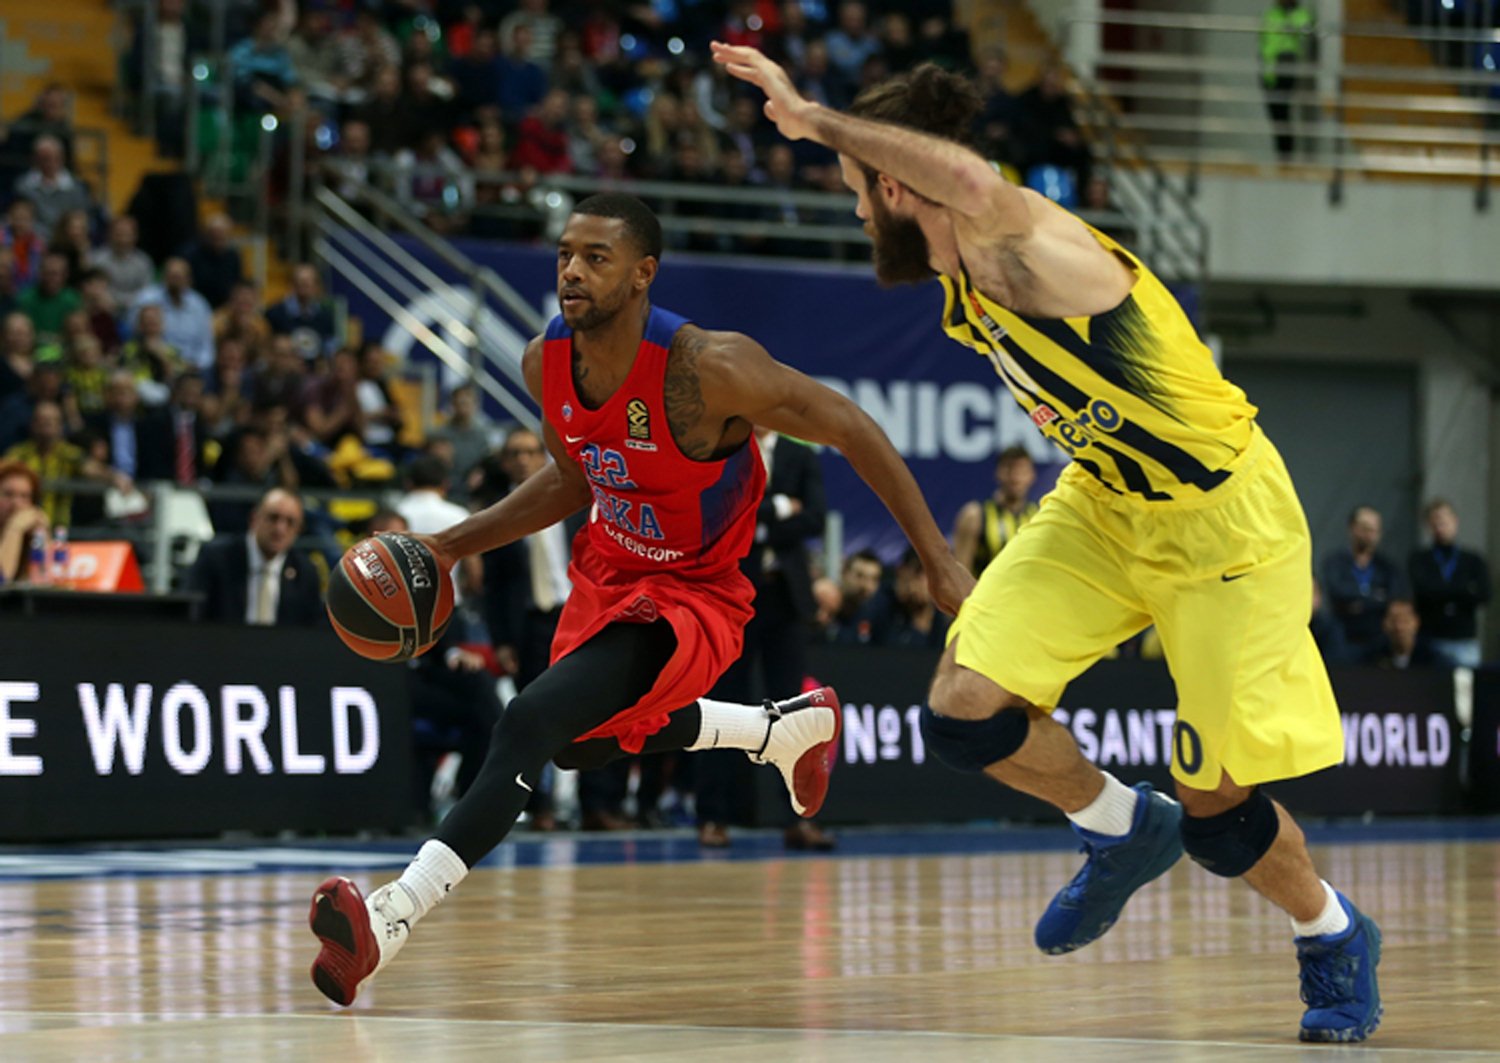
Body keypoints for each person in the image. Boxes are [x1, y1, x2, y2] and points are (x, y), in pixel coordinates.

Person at [715, 45, 1381, 1042]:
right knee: (963, 709)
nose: (855, 212)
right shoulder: (960, 277)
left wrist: (816, 120)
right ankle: (1120, 825)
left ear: (896, 184)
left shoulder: (1027, 245)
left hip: (1222, 524)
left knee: (1216, 811)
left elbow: (972, 180)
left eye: (858, 190)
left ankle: (1333, 931)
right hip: (1105, 505)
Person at [309, 192, 971, 1006]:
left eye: (596, 257)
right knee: (578, 747)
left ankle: (389, 917)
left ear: (642, 274)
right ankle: (776, 730)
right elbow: (573, 480)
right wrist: (450, 545)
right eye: (565, 254)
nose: (572, 271)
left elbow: (851, 425)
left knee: (529, 719)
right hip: (609, 574)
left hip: (695, 593)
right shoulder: (545, 363)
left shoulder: (710, 369)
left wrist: (938, 559)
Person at [697, 423, 832, 850]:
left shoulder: (799, 454)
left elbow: (815, 517)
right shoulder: (724, 450)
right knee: (724, 705)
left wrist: (758, 526)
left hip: (785, 597)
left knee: (791, 710)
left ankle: (799, 817)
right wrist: (780, 507)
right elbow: (716, 514)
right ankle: (713, 816)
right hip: (734, 596)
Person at [187, 486, 324, 625]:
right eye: (273, 518)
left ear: (298, 529)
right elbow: (193, 616)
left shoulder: (305, 573)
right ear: (254, 518)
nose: (280, 529)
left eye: (290, 522)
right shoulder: (216, 559)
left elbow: (310, 627)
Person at [1408, 499, 1490, 669]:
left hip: (1464, 640)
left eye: (1444, 521)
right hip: (1430, 640)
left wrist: (1439, 591)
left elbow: (1484, 595)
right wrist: (1464, 590)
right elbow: (1421, 592)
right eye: (1436, 522)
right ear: (1429, 525)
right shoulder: (1419, 560)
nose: (1440, 527)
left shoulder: (1473, 560)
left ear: (1455, 521)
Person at [1320, 505, 1407, 663]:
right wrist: (1375, 597)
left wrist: (1358, 602)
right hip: (1344, 632)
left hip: (1377, 634)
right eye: (1365, 528)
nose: (1370, 535)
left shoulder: (1387, 567)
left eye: (1374, 530)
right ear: (1352, 528)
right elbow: (1337, 592)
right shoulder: (1335, 562)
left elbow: (1393, 598)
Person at [952, 444, 1039, 577]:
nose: (1015, 478)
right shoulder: (975, 516)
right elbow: (961, 572)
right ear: (998, 472)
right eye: (1009, 469)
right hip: (986, 589)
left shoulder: (1038, 516)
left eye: (1022, 471)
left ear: (1032, 475)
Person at [1259, 0, 1315, 161]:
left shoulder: (1300, 14)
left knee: (1283, 113)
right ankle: (1282, 155)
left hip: (1286, 64)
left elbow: (1305, 31)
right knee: (1275, 115)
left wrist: (1290, 18)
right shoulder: (1271, 13)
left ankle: (1286, 155)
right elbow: (1263, 40)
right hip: (1268, 68)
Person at [0, 459, 50, 581]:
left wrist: (43, 534)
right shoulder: (17, 528)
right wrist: (14, 529)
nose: (16, 504)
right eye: (8, 494)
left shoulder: (29, 535)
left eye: (24, 496)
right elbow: (2, 581)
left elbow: (47, 581)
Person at [1367, 599, 1437, 670]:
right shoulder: (1371, 657)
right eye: (1393, 621)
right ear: (1384, 623)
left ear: (1416, 622)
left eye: (1405, 621)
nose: (1399, 627)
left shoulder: (1434, 659)